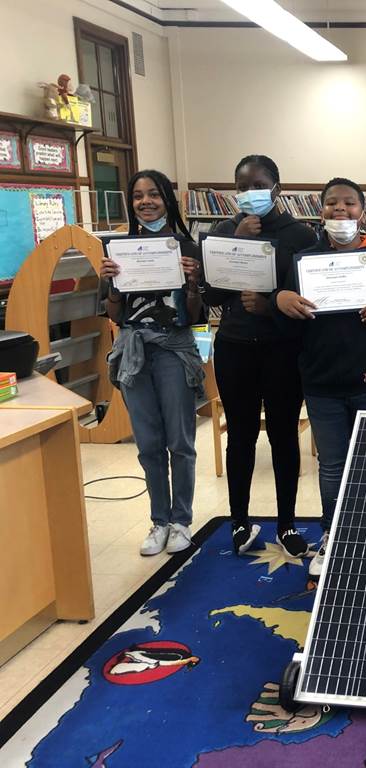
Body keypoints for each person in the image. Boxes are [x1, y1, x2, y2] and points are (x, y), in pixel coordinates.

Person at [274, 177, 366, 577]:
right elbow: (287, 327)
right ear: (320, 213)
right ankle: (333, 534)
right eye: (332, 204)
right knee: (332, 465)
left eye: (349, 204)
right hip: (322, 385)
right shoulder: (303, 261)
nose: (341, 211)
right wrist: (279, 299)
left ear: (363, 212)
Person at [201, 154, 317, 557]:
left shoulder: (300, 235)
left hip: (282, 350)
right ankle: (239, 521)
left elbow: (305, 296)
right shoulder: (222, 231)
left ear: (276, 188)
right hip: (234, 348)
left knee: (284, 435)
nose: (249, 194)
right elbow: (212, 295)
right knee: (242, 436)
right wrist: (239, 239)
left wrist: (270, 305)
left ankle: (286, 524)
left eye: (257, 185)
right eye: (242, 186)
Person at [100, 169, 205, 556]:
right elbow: (114, 312)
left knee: (180, 440)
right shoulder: (118, 249)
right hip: (133, 353)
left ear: (168, 200)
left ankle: (181, 520)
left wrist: (192, 282)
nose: (146, 202)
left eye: (154, 195)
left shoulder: (187, 247)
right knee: (148, 443)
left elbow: (194, 315)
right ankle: (158, 521)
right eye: (138, 196)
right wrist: (110, 281)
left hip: (174, 351)